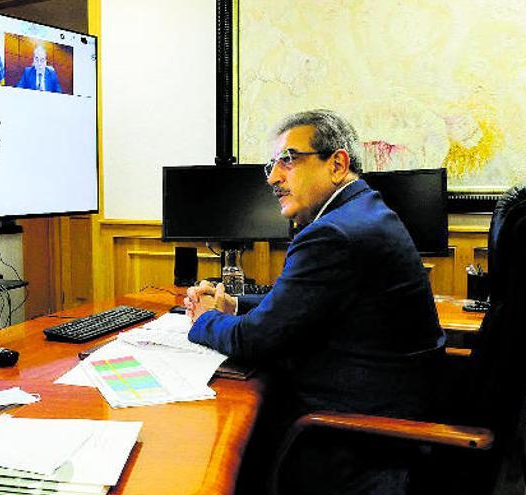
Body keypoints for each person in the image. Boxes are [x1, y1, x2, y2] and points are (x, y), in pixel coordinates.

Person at [184, 110, 445, 494]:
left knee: (219, 445)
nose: (273, 177)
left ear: (337, 163)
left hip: (355, 440)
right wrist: (234, 305)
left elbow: (254, 341)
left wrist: (203, 319)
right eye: (272, 165)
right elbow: (300, 302)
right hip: (394, 414)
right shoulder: (363, 212)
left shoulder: (334, 233)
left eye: (288, 160)